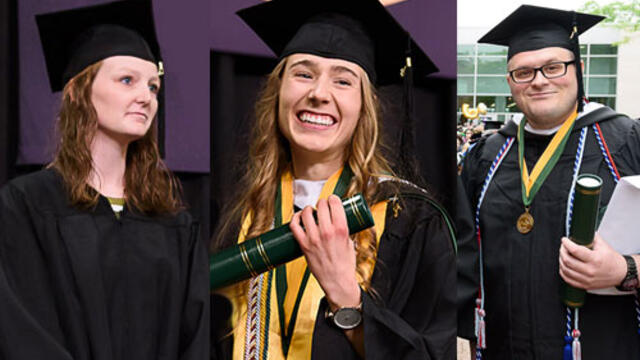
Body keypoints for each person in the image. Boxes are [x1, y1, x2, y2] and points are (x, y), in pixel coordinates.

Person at [210, 0, 457, 359]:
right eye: (303, 74)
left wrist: (347, 298)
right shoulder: (238, 213)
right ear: (277, 91)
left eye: (343, 80)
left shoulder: (412, 219)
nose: (319, 93)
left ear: (364, 107)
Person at [0, 1, 209, 358]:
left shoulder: (173, 221)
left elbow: (194, 340)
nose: (145, 97)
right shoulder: (27, 205)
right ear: (77, 91)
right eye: (127, 80)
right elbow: (23, 332)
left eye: (154, 87)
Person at [457, 5, 640, 359]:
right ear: (509, 82)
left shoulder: (626, 141)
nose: (539, 80)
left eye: (553, 67)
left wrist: (626, 269)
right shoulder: (485, 157)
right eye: (523, 72)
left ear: (578, 70)